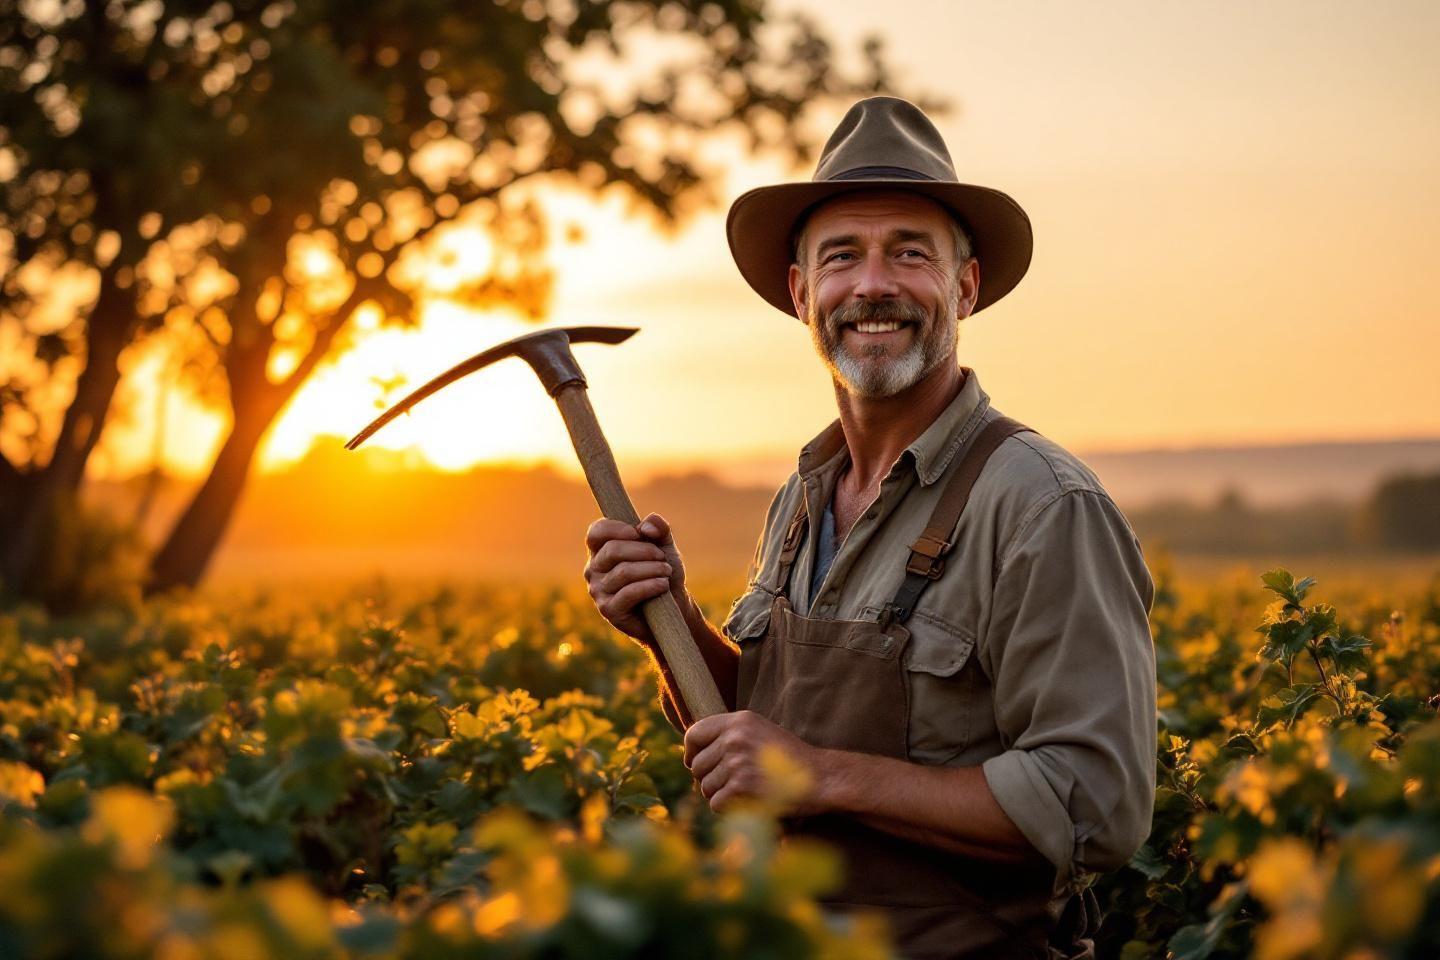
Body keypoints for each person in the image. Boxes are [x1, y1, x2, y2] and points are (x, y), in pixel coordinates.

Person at [583, 96, 1157, 960]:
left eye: (909, 254)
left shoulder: (1041, 505)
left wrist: (822, 777)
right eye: (842, 256)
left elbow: (1094, 803)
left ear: (963, 286)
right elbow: (758, 728)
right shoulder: (801, 498)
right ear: (801, 290)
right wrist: (668, 622)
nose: (873, 286)